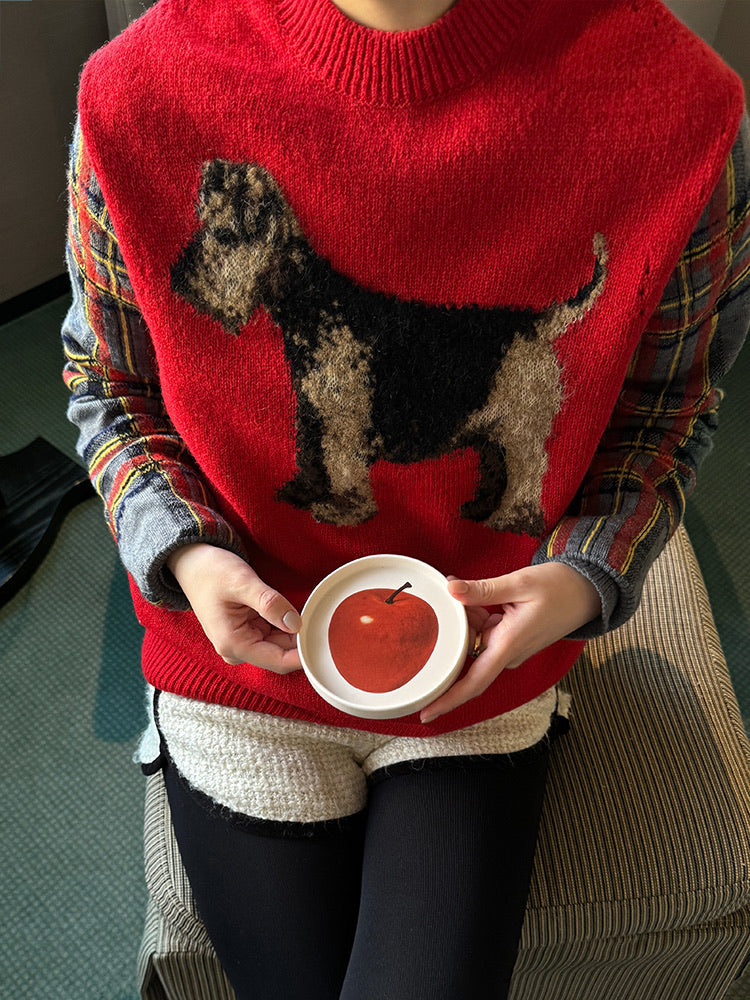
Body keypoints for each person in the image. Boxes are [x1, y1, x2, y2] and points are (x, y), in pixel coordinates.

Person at [62, 0, 750, 996]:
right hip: (241, 668)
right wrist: (186, 553)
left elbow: (667, 407)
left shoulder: (685, 109)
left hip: (483, 663)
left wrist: (583, 571)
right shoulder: (131, 91)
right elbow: (108, 384)